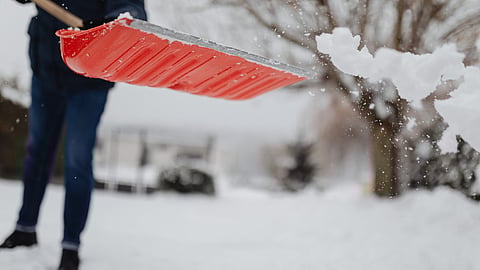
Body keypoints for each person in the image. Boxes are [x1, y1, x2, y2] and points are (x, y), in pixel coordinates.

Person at [0, 1, 147, 269]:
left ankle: (71, 244)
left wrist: (111, 25)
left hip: (91, 74)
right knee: (37, 150)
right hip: (47, 65)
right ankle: (25, 227)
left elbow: (132, 8)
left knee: (77, 158)